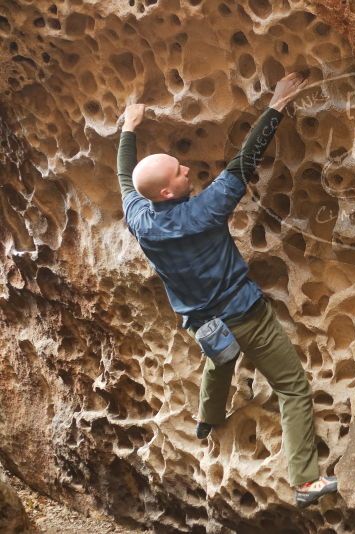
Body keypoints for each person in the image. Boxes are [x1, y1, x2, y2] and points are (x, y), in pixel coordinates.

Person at [116, 72, 337, 508]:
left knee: (220, 358)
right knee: (292, 387)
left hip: (202, 321)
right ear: (166, 191)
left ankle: (208, 418)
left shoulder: (140, 219)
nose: (186, 170)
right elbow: (243, 162)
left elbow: (126, 181)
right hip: (246, 315)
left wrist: (128, 128)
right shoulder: (205, 210)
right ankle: (306, 482)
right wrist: (275, 105)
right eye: (179, 173)